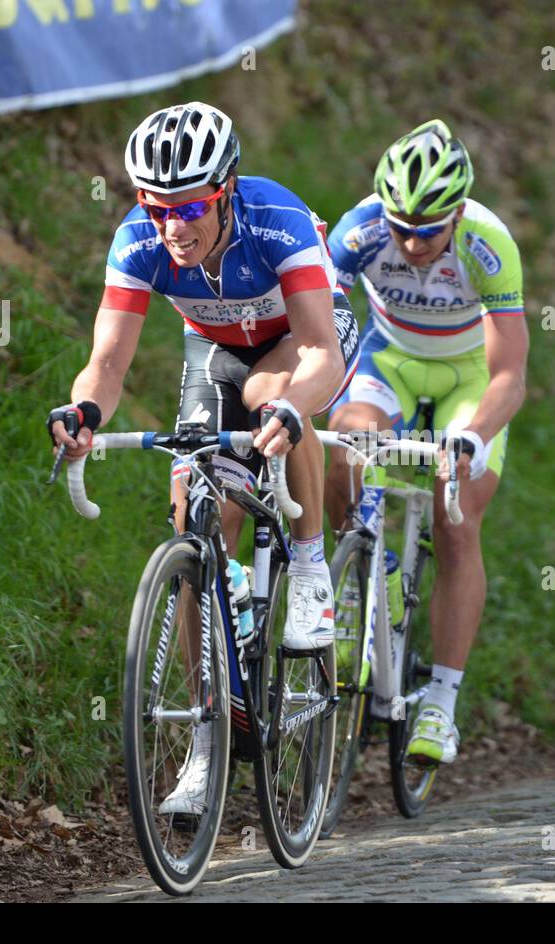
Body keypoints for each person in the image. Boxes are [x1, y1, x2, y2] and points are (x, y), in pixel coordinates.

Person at [48, 102, 360, 812]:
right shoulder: (139, 241)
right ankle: (204, 739)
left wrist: (288, 407)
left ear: (224, 193)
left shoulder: (275, 222)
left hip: (305, 335)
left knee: (271, 392)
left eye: (188, 208)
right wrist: (85, 412)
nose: (172, 227)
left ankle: (309, 565)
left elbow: (320, 353)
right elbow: (107, 360)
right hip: (215, 346)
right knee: (196, 512)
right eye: (156, 208)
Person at [324, 120, 529, 765]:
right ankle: (363, 577)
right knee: (347, 451)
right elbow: (325, 331)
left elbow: (510, 376)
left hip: (469, 375)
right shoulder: (357, 232)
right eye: (400, 227)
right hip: (390, 360)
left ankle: (440, 701)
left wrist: (470, 435)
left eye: (427, 230)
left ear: (458, 213)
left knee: (455, 516)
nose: (411, 242)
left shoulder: (488, 245)